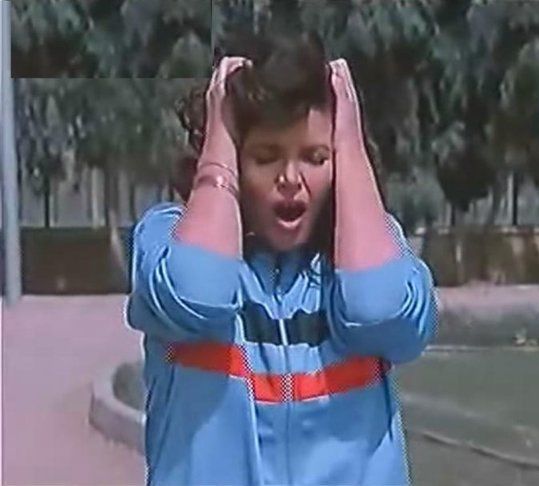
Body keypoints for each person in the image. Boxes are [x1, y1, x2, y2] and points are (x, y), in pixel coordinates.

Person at [126, 30, 438, 486]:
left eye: (315, 157)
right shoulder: (167, 238)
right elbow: (195, 294)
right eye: (266, 156)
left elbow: (381, 311)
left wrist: (350, 143)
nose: (291, 177)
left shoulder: (370, 251)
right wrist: (221, 130)